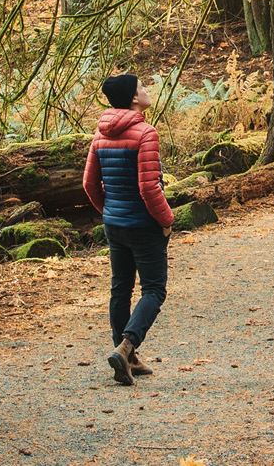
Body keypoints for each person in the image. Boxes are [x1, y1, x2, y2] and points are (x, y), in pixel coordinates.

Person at [82, 73, 175, 385]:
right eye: (141, 87)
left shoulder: (100, 134)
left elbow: (88, 184)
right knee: (154, 289)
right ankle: (125, 347)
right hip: (144, 225)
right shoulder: (146, 133)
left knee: (121, 288)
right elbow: (150, 187)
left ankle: (128, 358)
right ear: (133, 99)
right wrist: (166, 221)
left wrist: (108, 212)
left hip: (115, 224)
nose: (146, 90)